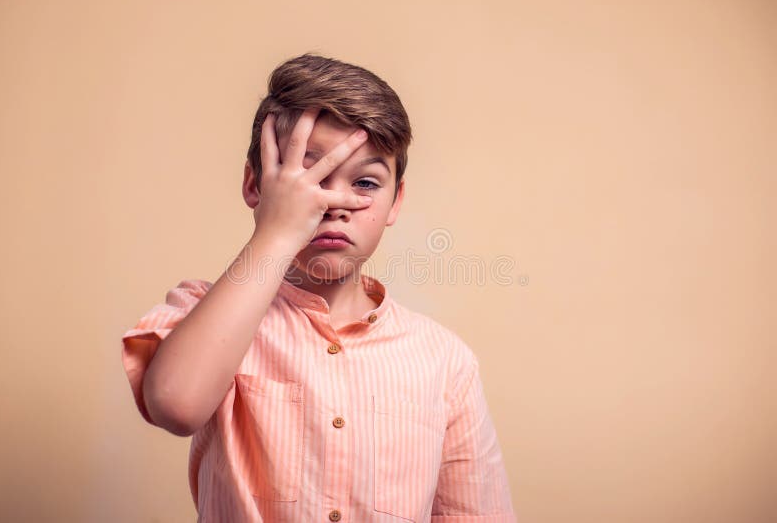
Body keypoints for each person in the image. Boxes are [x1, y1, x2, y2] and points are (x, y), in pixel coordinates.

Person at [121, 53, 517, 522]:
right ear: (255, 186)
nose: (335, 203)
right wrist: (277, 231)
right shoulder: (203, 312)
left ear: (396, 201)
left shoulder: (446, 362)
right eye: (308, 178)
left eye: (365, 182)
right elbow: (176, 405)